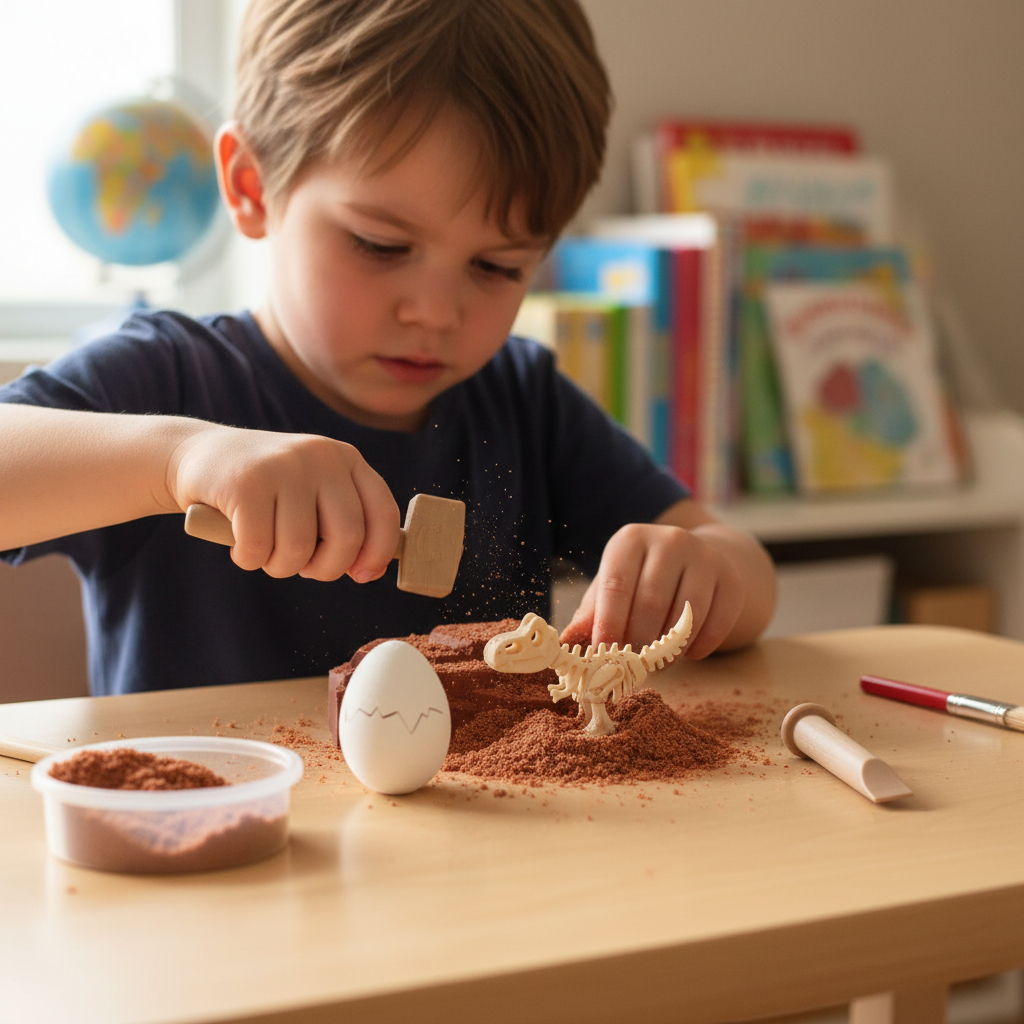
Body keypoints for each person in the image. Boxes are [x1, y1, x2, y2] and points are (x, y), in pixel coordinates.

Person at [0, 0, 775, 697]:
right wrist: (178, 461)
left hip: (488, 815)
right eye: (380, 244)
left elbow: (746, 572)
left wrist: (707, 572)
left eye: (497, 266)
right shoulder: (167, 379)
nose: (435, 312)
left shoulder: (523, 403)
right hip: (223, 809)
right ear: (252, 186)